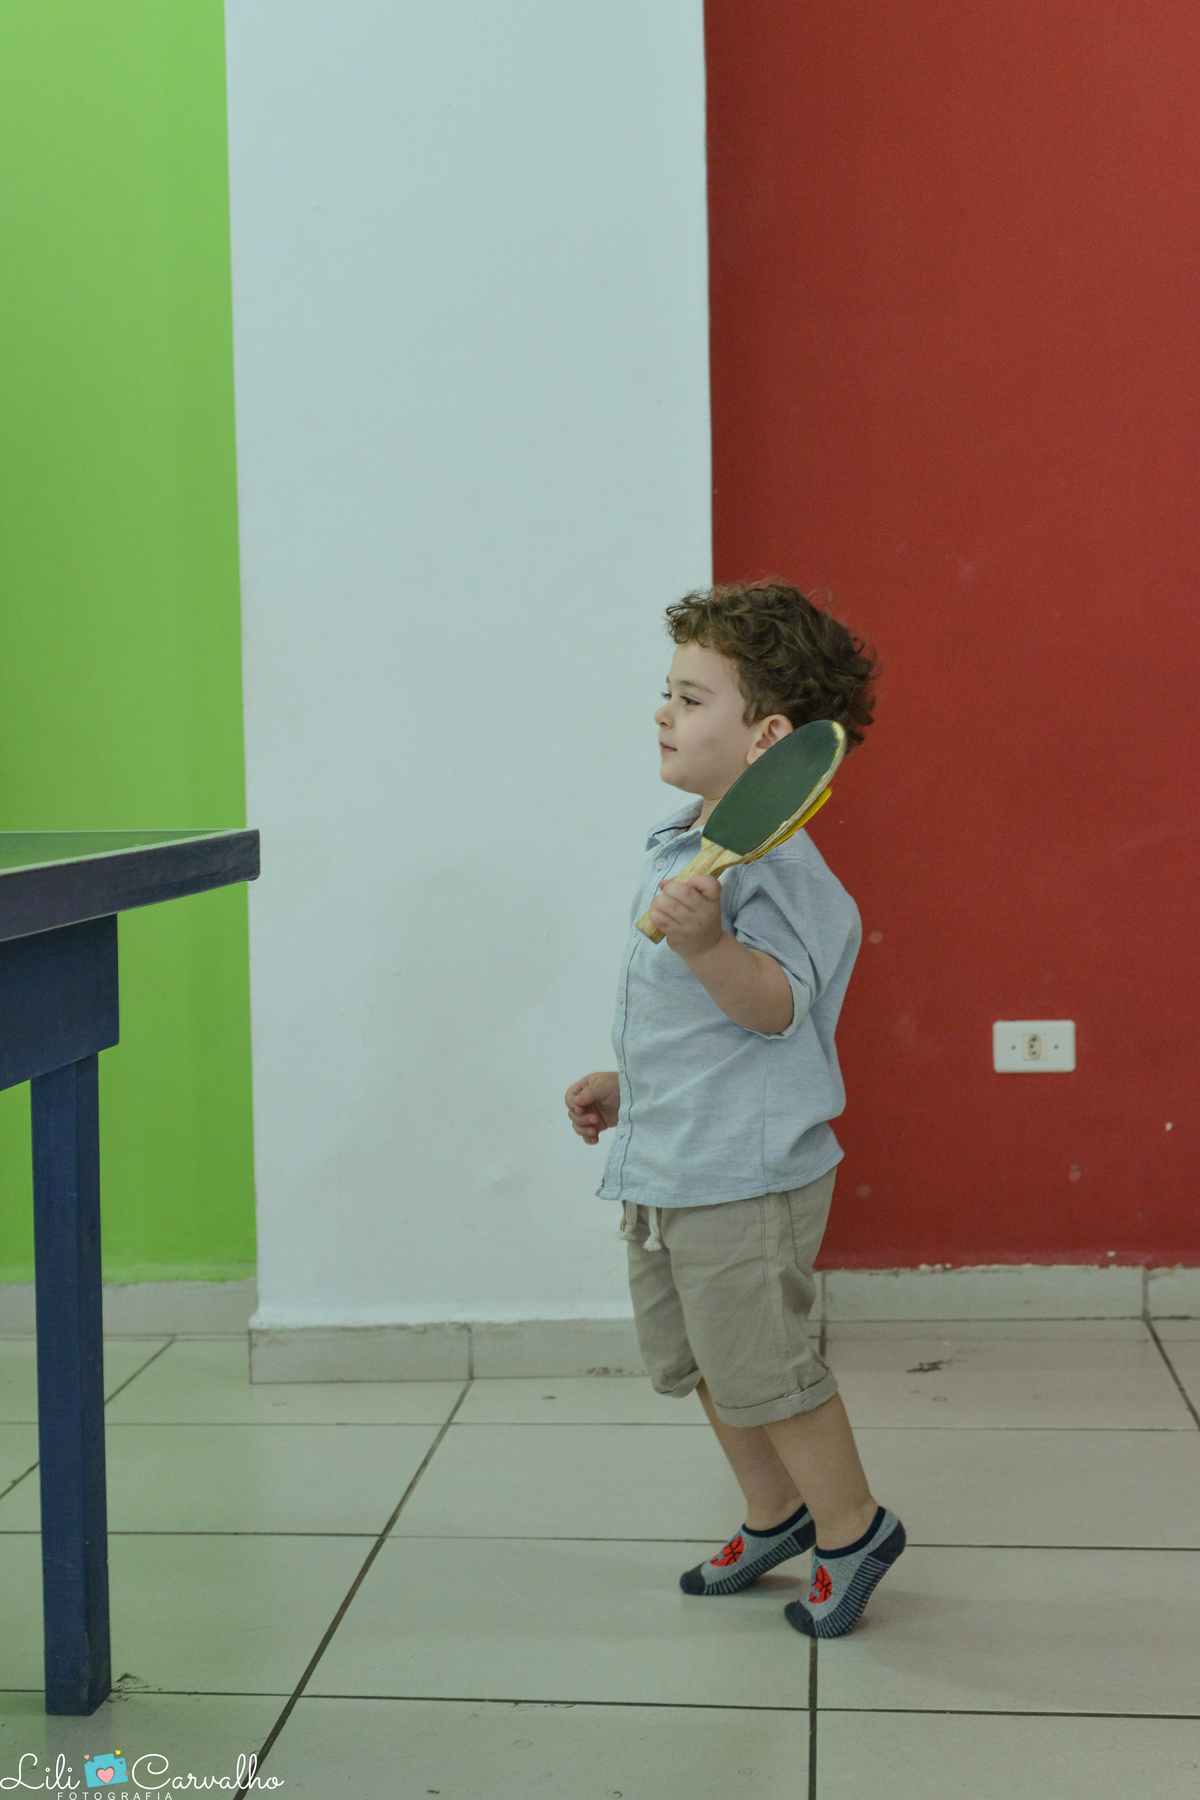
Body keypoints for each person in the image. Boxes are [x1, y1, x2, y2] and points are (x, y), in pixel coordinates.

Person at [564, 581, 904, 1639]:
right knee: (704, 1363)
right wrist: (632, 1083)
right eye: (667, 693)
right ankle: (777, 1512)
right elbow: (693, 1024)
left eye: (691, 697)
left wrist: (710, 943)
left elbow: (769, 1008)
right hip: (672, 1157)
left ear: (768, 739)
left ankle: (852, 1529)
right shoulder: (685, 847)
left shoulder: (785, 869)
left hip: (744, 1176)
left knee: (769, 1368)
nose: (663, 712)